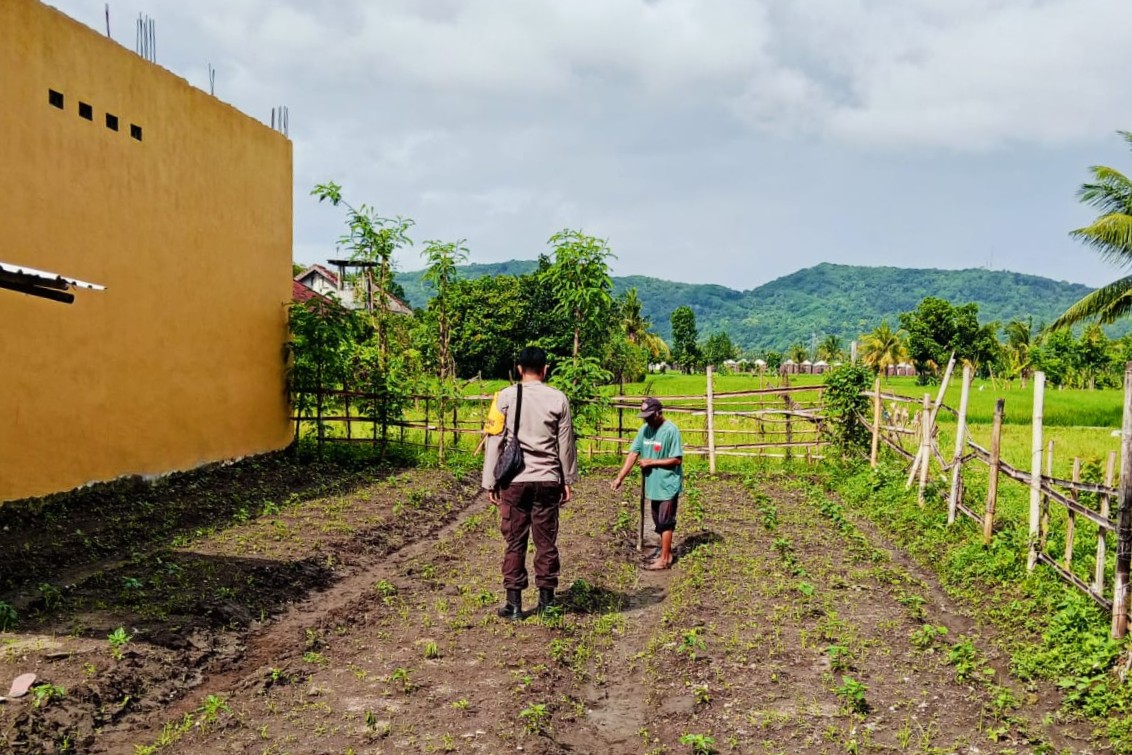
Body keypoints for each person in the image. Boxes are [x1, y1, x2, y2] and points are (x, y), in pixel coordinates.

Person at [482, 346, 578, 619]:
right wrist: (566, 479)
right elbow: (566, 444)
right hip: (547, 480)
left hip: (514, 481)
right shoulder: (558, 399)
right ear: (546, 369)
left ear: (520, 370)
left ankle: (514, 605)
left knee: (515, 541)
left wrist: (490, 481)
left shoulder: (505, 397)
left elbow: (494, 440)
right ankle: (547, 603)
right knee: (546, 541)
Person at [610, 397, 683, 570]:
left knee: (665, 521)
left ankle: (664, 559)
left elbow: (677, 460)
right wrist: (620, 477)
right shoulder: (644, 430)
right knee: (658, 520)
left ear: (659, 413)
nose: (647, 420)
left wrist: (652, 462)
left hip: (667, 483)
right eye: (645, 417)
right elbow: (633, 454)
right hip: (653, 484)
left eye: (650, 416)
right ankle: (667, 553)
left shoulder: (671, 431)